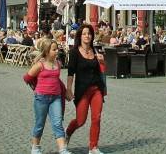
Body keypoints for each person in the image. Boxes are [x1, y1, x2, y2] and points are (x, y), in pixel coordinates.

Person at [25, 37, 71, 154]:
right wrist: (36, 86)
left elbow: (57, 80)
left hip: (56, 98)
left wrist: (65, 91)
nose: (57, 51)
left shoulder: (58, 64)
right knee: (40, 123)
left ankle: (63, 149)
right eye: (54, 49)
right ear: (47, 51)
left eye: (57, 49)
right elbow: (27, 77)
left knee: (58, 123)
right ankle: (35, 147)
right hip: (41, 98)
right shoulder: (40, 64)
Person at [65, 24, 107, 154]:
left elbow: (101, 70)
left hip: (96, 89)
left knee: (96, 118)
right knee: (80, 120)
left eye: (89, 33)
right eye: (84, 34)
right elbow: (71, 73)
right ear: (80, 36)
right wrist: (69, 89)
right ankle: (68, 132)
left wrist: (102, 61)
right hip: (82, 90)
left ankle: (93, 147)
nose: (87, 36)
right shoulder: (74, 52)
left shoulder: (95, 51)